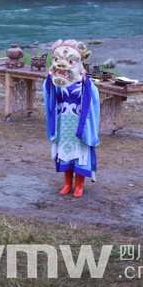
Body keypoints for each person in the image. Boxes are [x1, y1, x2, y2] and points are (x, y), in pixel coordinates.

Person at [44, 39, 100, 198]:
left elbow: (93, 99)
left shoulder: (84, 82)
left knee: (79, 153)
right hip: (63, 122)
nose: (64, 64)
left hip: (79, 123)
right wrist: (50, 78)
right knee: (64, 152)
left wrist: (85, 81)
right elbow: (49, 95)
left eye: (69, 61)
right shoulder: (58, 81)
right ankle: (67, 183)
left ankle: (79, 186)